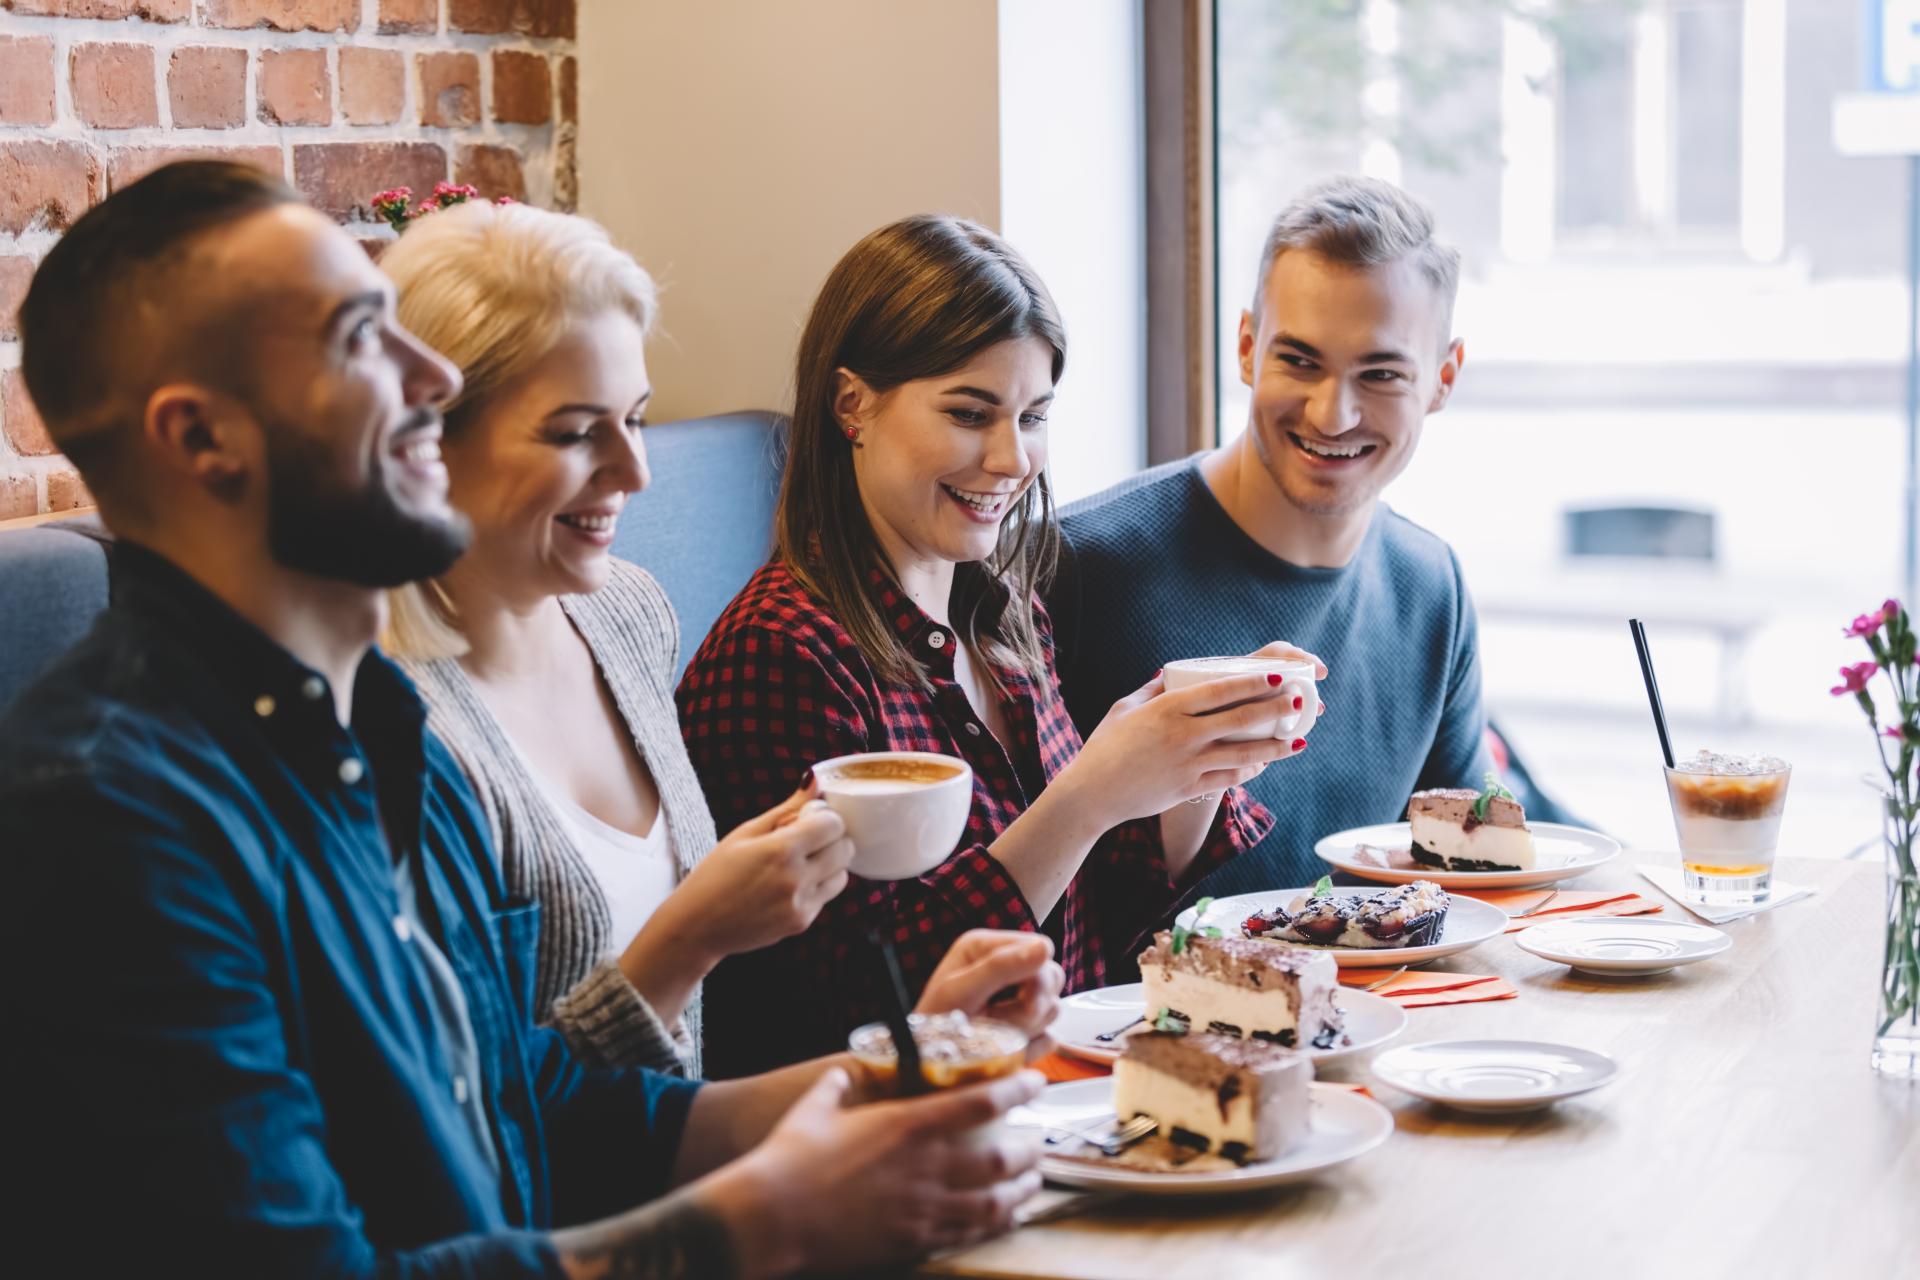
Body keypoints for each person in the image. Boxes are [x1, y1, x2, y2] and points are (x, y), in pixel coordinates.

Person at [0, 161, 1055, 1278]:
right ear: (202, 439)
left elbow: (530, 1108)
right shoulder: (108, 816)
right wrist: (765, 1220)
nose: (428, 375)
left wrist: (894, 1074)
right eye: (363, 337)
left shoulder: (381, 734)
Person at [678, 214, 1318, 1077]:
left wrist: (1200, 760)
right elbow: (859, 1007)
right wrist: (1087, 797)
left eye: (1034, 415)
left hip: (1065, 1096)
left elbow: (1086, 916)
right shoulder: (781, 653)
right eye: (971, 413)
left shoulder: (1003, 617)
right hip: (906, 1142)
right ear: (852, 406)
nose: (1014, 459)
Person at [378, 199, 854, 1077]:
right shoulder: (389, 726)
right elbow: (482, 1120)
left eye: (635, 418)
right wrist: (692, 937)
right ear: (424, 440)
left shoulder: (629, 614)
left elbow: (685, 1080)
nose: (634, 473)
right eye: (574, 433)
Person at [1049, 174, 1495, 896]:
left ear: (1443, 378)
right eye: (1300, 360)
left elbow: (1474, 868)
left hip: (1385, 1006)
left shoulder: (1430, 585)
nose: (1332, 414)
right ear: (1248, 347)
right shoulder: (1083, 563)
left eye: (1380, 373)